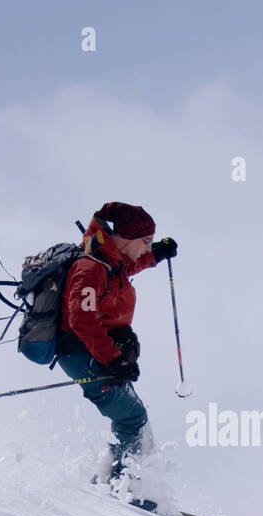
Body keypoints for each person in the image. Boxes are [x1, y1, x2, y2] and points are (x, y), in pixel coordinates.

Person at [55, 202, 177, 482]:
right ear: (125, 236)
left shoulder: (109, 260)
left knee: (131, 415)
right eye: (146, 241)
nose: (147, 247)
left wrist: (156, 254)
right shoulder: (90, 268)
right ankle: (121, 487)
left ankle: (112, 477)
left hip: (95, 352)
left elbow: (125, 269)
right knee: (132, 417)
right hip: (82, 352)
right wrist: (113, 359)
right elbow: (81, 319)